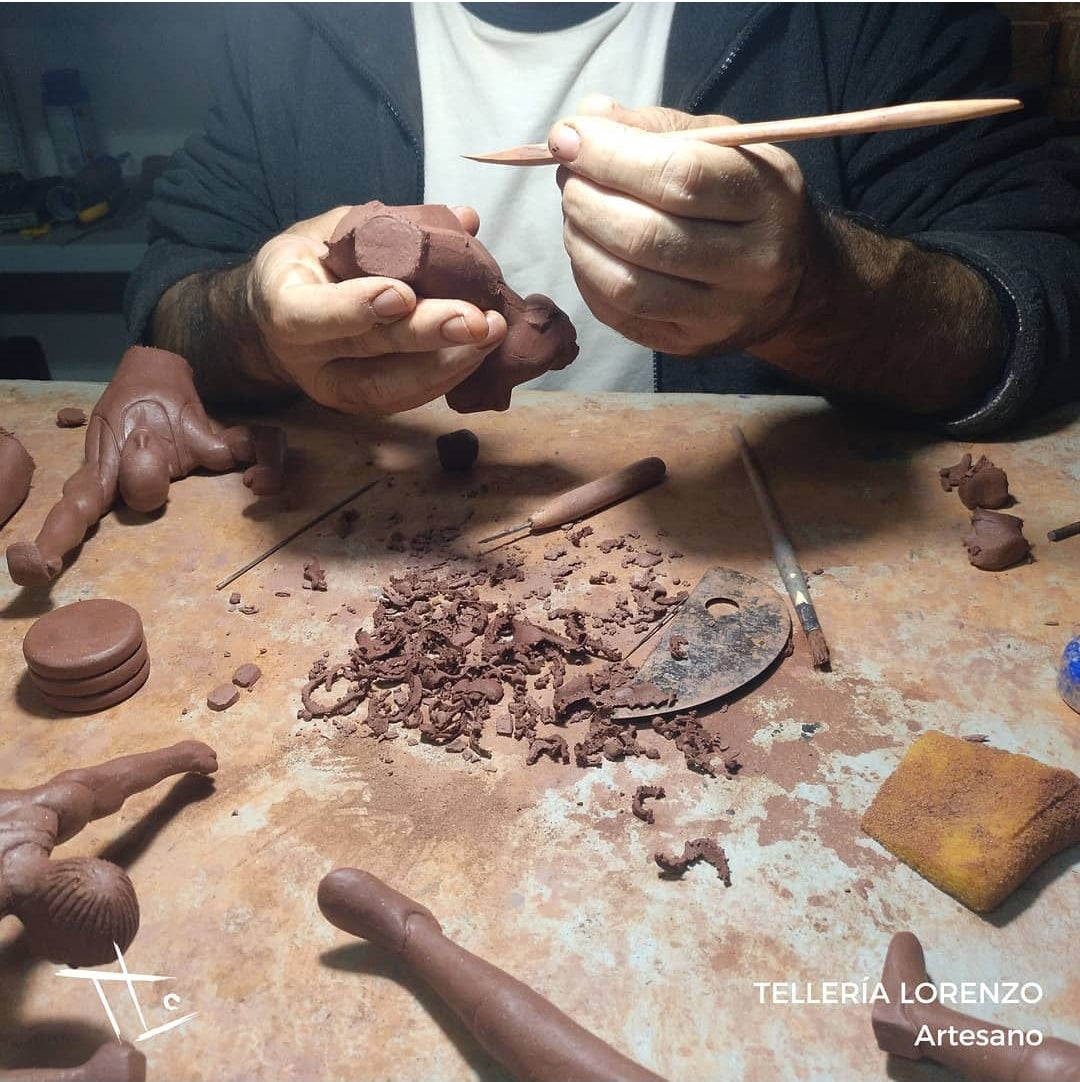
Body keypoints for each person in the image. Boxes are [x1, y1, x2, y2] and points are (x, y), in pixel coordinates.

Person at [125, 3, 1080, 436]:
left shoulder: (860, 17)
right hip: (370, 558)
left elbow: (1043, 294)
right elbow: (173, 299)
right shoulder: (281, 26)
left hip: (756, 567)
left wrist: (822, 293)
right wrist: (255, 320)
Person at [5, 345, 286, 587]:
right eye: (146, 445)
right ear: (167, 468)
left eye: (137, 446)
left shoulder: (107, 459)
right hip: (183, 360)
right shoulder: (190, 443)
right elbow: (263, 436)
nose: (140, 436)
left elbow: (77, 505)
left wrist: (46, 550)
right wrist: (272, 467)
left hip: (143, 357)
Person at [0, 741, 218, 967]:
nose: (72, 967)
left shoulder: (46, 808)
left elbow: (111, 782)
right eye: (71, 959)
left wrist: (178, 757)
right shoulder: (40, 814)